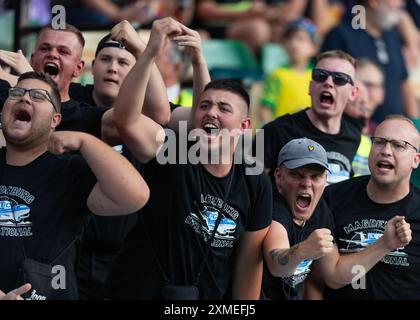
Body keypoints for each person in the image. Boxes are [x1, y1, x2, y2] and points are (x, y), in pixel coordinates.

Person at [102, 17, 272, 299]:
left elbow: (248, 266)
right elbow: (127, 121)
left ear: (244, 126)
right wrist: (149, 52)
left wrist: (198, 60)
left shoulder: (254, 180)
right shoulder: (172, 153)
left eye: (223, 108)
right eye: (204, 106)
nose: (212, 112)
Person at [0, 71, 149, 299]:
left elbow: (135, 195)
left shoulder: (70, 170)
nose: (25, 99)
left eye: (38, 96)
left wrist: (85, 140)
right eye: (17, 93)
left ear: (55, 120)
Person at [320, 115, 420, 299]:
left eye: (398, 145)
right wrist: (385, 244)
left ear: (416, 159)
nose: (386, 151)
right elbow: (332, 276)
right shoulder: (333, 198)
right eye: (379, 142)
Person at [257, 50, 363, 185]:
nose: (328, 82)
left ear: (353, 93)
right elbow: (248, 187)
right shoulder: (273, 130)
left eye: (339, 78)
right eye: (320, 75)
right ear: (310, 86)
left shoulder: (354, 136)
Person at [322, 0, 418, 123]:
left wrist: (415, 122)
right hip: (354, 129)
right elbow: (329, 85)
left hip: (391, 132)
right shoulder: (340, 35)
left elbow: (403, 82)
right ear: (375, 2)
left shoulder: (392, 35)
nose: (401, 4)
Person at [262, 137, 334, 300]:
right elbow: (277, 265)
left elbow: (333, 274)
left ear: (325, 180)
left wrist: (384, 244)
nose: (307, 183)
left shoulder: (321, 210)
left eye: (316, 176)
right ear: (279, 177)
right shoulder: (273, 204)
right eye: (296, 175)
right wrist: (303, 251)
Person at [259, 17, 318, 125]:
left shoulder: (318, 77)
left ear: (313, 47)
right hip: (282, 134)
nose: (293, 43)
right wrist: (271, 131)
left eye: (300, 39)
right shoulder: (277, 74)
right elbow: (266, 107)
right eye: (289, 39)